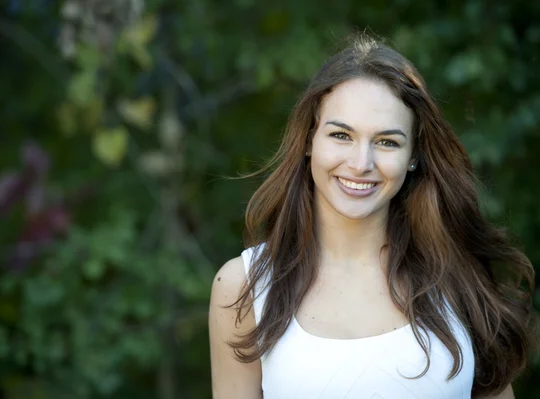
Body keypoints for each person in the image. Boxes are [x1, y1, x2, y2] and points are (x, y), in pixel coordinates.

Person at [208, 35, 536, 399]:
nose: (361, 164)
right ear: (308, 140)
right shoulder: (242, 287)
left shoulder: (456, 273)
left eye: (387, 142)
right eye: (341, 135)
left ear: (414, 156)